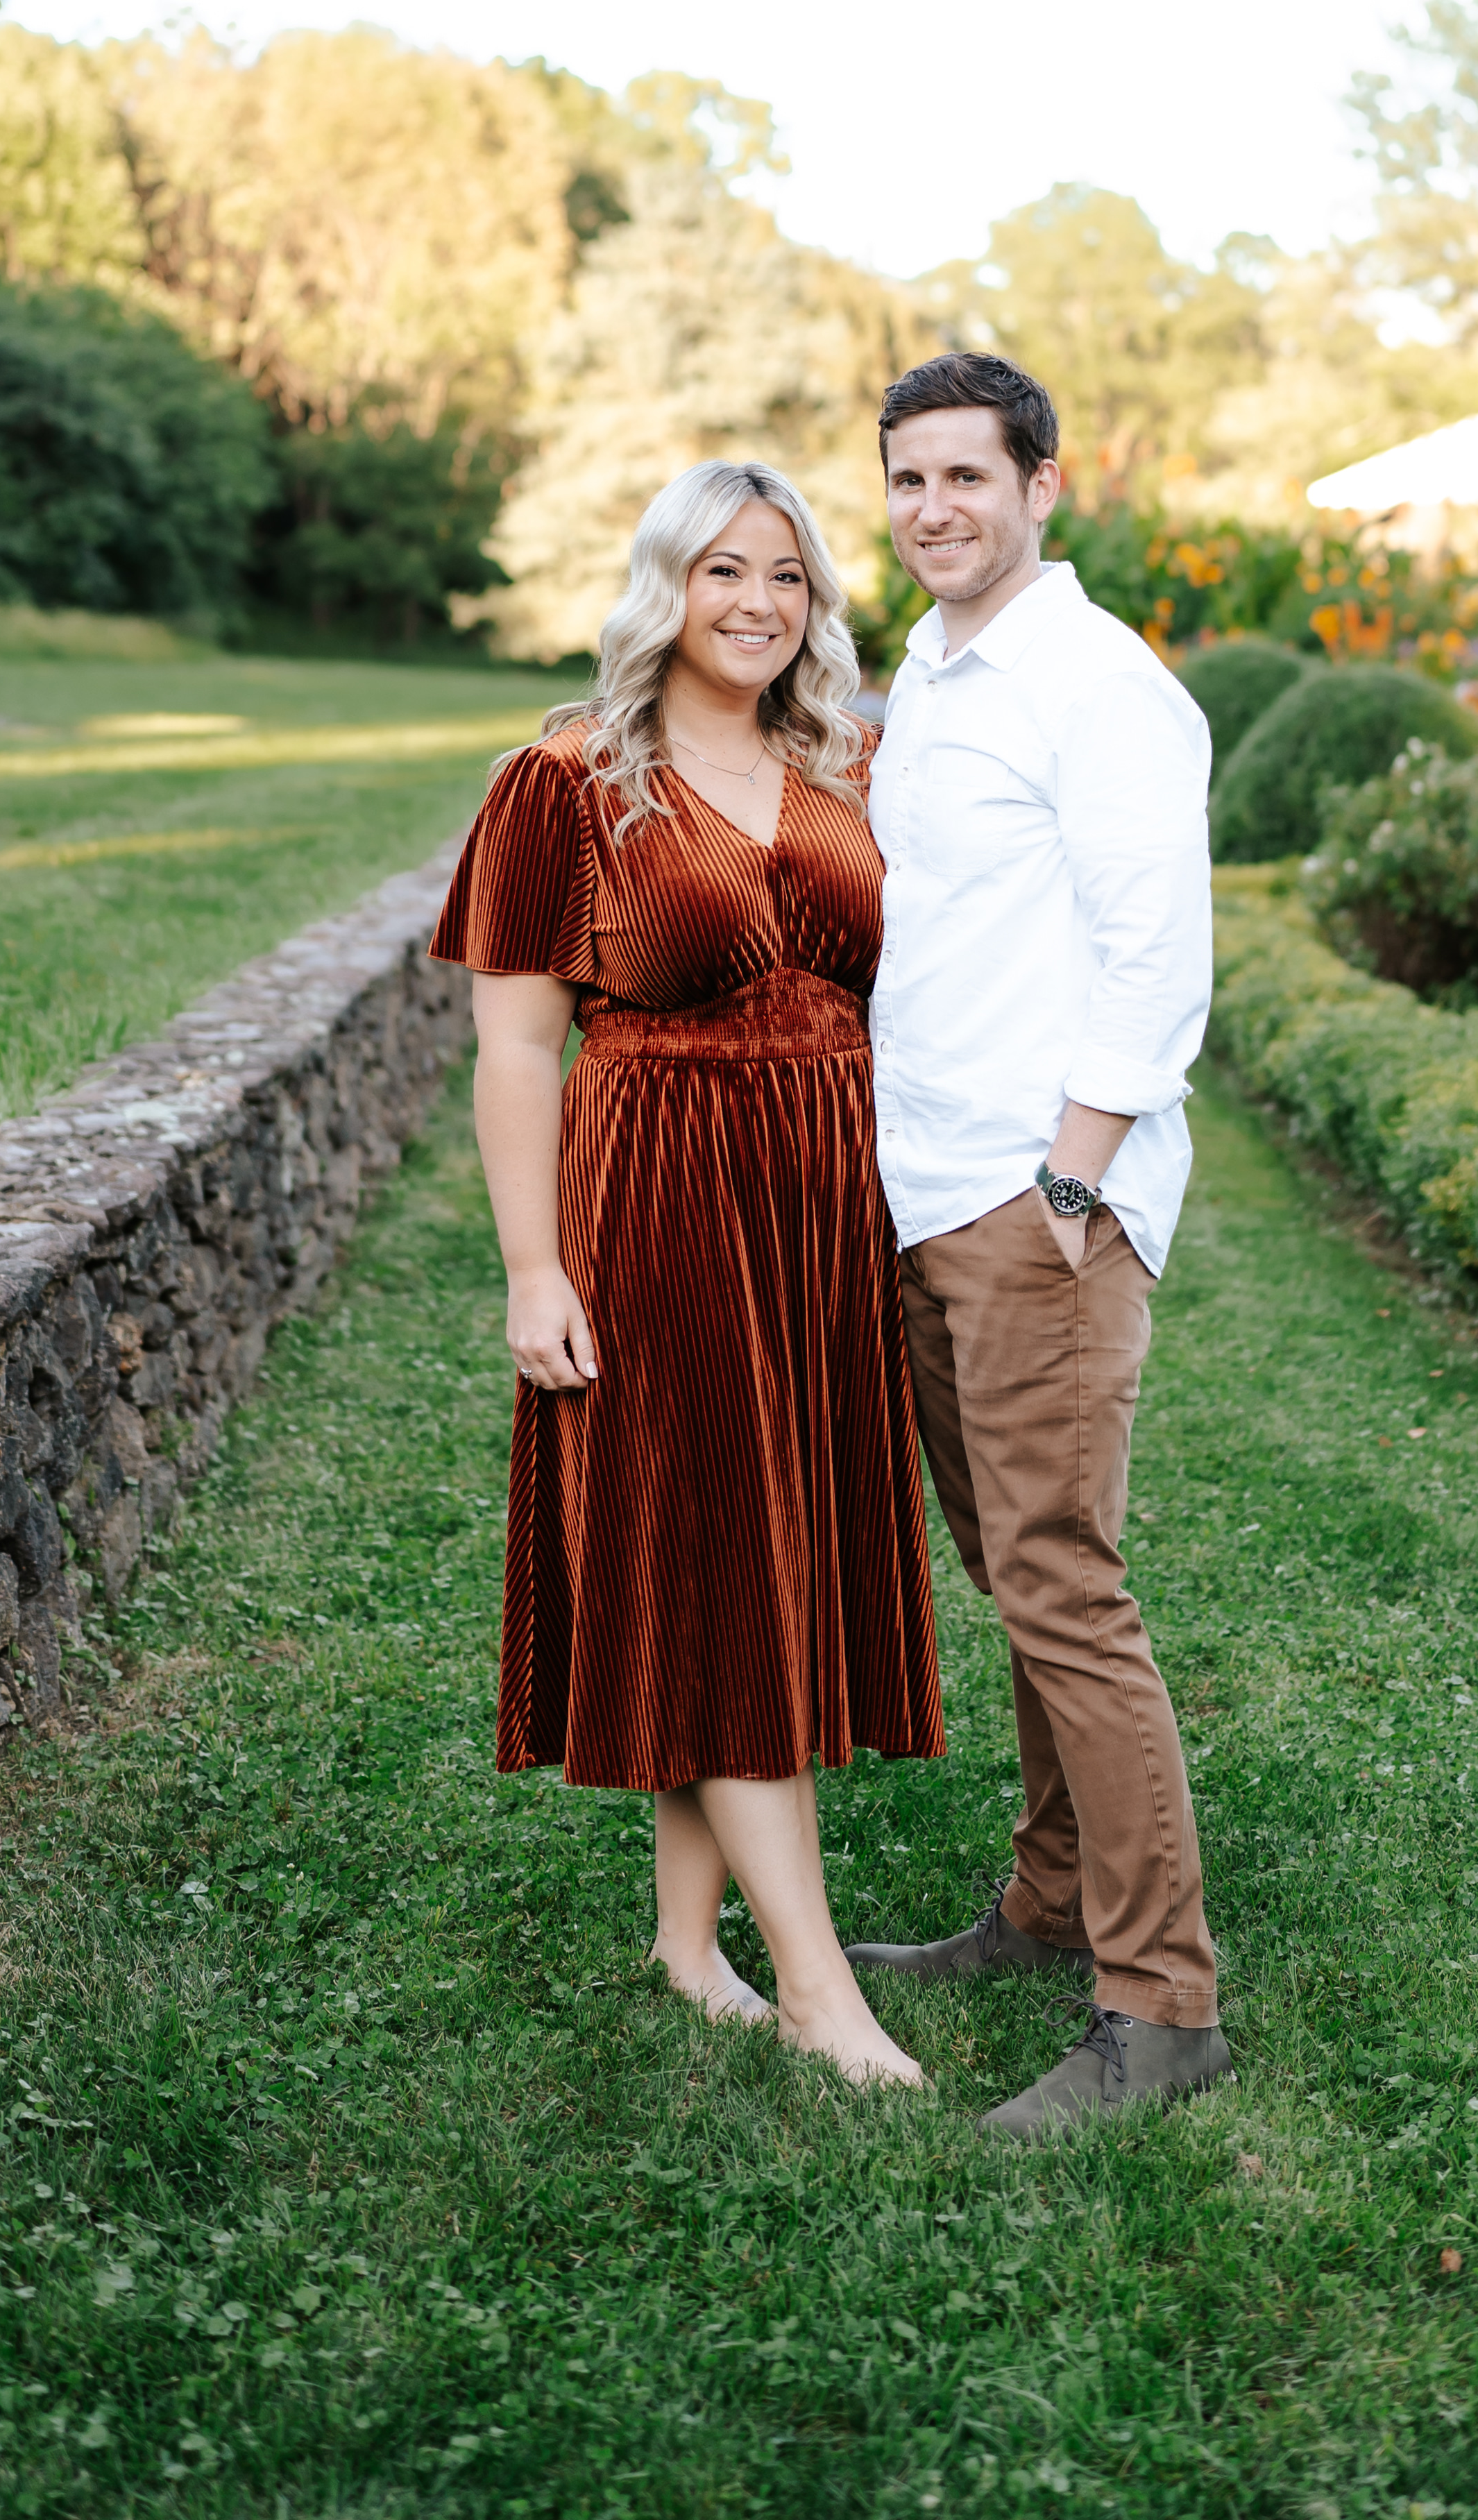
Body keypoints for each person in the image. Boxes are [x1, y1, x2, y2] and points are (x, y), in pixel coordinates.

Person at [436, 459, 937, 2087]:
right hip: (657, 1187)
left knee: (750, 1557)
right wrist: (532, 1269)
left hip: (823, 1204)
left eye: (785, 578)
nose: (756, 606)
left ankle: (680, 1941)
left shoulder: (844, 758)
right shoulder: (568, 778)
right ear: (665, 583)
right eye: (723, 572)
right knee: (712, 1554)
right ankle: (814, 1988)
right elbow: (516, 1050)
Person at [844, 351, 1230, 2136]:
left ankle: (1157, 2014)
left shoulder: (1100, 686)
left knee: (1064, 1587)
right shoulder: (928, 667)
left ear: (1042, 487)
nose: (934, 510)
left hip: (1031, 1203)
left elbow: (1155, 963)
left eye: (967, 480)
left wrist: (1067, 1190)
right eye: (908, 479)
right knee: (1017, 1576)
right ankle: (1048, 1901)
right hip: (921, 1189)